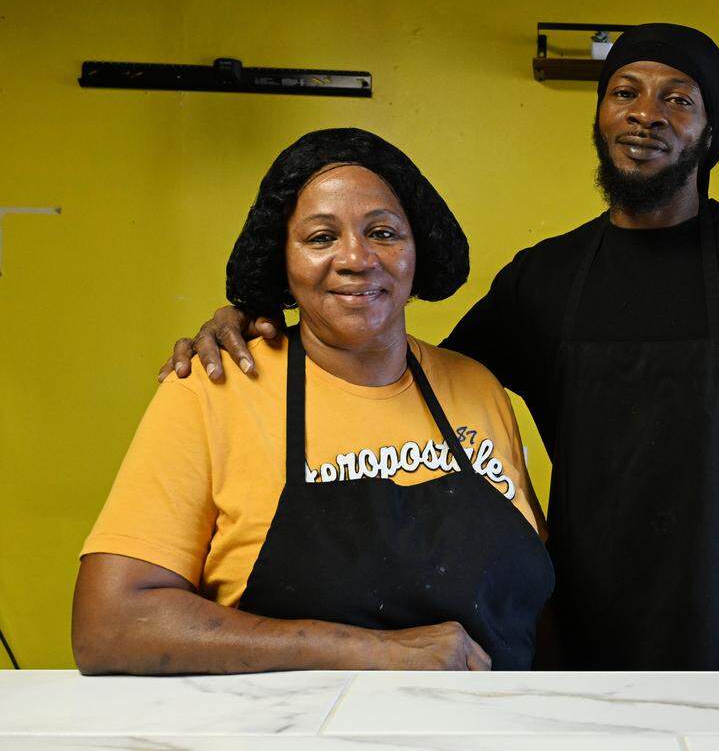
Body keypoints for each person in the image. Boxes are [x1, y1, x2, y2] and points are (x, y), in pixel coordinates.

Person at [162, 24, 719, 671]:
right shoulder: (543, 278)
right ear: (600, 117)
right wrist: (252, 308)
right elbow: (400, 376)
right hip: (574, 634)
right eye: (624, 92)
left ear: (711, 133)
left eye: (678, 98)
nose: (646, 113)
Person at [74, 128, 554, 675]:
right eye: (321, 237)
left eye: (383, 232)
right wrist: (372, 652)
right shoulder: (214, 391)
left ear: (417, 251)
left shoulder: (476, 387)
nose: (356, 258)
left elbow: (533, 596)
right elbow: (108, 623)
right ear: (283, 260)